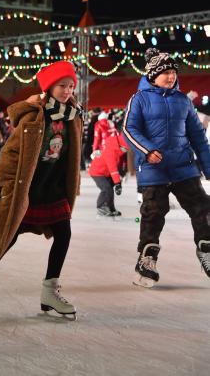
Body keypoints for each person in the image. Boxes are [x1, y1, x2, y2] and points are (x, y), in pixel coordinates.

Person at [0, 60, 83, 319]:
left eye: (71, 86)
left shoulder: (73, 116)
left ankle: (50, 291)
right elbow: (10, 153)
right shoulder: (34, 115)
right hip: (26, 188)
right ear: (49, 87)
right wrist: (6, 185)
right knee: (6, 237)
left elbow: (71, 156)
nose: (68, 90)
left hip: (53, 188)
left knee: (64, 234)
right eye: (62, 85)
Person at [123, 48, 210, 287]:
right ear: (152, 74)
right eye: (166, 72)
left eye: (173, 72)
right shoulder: (138, 99)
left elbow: (198, 137)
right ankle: (146, 260)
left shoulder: (182, 100)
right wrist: (148, 150)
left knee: (202, 206)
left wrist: (208, 166)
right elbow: (129, 130)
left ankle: (206, 248)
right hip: (154, 169)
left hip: (183, 167)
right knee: (153, 213)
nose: (171, 77)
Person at [88, 131, 128, 217]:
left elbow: (116, 167)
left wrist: (118, 182)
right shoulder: (111, 152)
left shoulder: (116, 151)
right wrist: (117, 183)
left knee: (110, 188)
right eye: (125, 149)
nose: (125, 151)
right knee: (106, 188)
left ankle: (111, 208)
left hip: (105, 172)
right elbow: (113, 168)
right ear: (120, 146)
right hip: (97, 172)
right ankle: (101, 207)